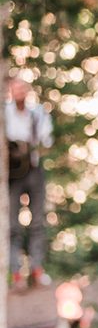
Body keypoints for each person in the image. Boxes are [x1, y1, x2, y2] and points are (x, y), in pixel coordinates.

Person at [7, 76, 54, 289]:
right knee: (13, 226)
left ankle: (36, 270)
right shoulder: (5, 113)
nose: (19, 93)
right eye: (15, 89)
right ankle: (15, 274)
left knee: (37, 223)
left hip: (33, 170)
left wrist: (32, 147)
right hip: (12, 174)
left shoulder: (38, 114)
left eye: (22, 89)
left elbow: (47, 140)